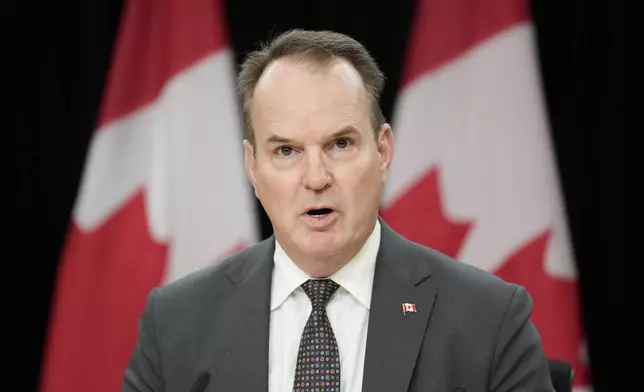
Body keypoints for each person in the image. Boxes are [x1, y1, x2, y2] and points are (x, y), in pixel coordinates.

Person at [123, 29, 555, 392]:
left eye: (340, 144)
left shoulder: (489, 322)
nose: (316, 177)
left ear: (383, 151)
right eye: (287, 150)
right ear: (253, 167)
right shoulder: (176, 325)